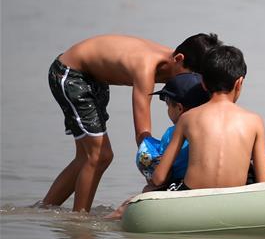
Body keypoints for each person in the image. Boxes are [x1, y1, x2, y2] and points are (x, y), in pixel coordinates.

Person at [42, 33, 220, 212]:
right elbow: (142, 134)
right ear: (179, 59)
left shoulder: (177, 65)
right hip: (71, 73)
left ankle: (45, 208)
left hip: (96, 78)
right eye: (193, 76)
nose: (193, 83)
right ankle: (80, 222)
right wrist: (157, 177)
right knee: (99, 156)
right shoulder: (145, 67)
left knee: (85, 157)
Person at [152, 45, 265, 190]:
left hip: (193, 196)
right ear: (239, 83)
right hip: (234, 198)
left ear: (203, 83)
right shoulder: (254, 121)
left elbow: (159, 178)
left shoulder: (188, 118)